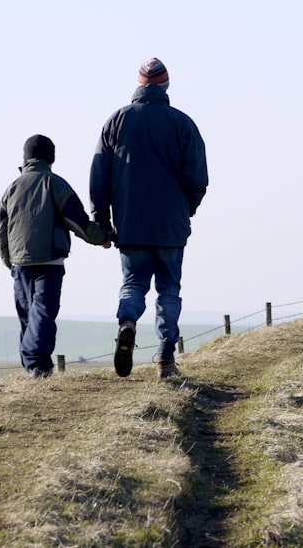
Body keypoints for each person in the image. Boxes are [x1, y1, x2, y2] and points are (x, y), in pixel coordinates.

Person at [90, 58, 208, 379]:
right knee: (168, 289)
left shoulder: (116, 121)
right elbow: (198, 178)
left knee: (133, 284)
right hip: (171, 226)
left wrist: (102, 222)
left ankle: (127, 322)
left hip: (131, 225)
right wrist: (187, 209)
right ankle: (165, 357)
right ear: (166, 86)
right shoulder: (182, 124)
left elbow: (99, 176)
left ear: (139, 85)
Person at [0, 134, 109, 378]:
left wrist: (9, 261)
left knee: (27, 316)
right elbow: (78, 221)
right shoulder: (55, 183)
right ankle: (39, 366)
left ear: (25, 158)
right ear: (51, 157)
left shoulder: (11, 188)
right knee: (43, 312)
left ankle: (32, 367)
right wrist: (103, 238)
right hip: (49, 261)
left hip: (19, 263)